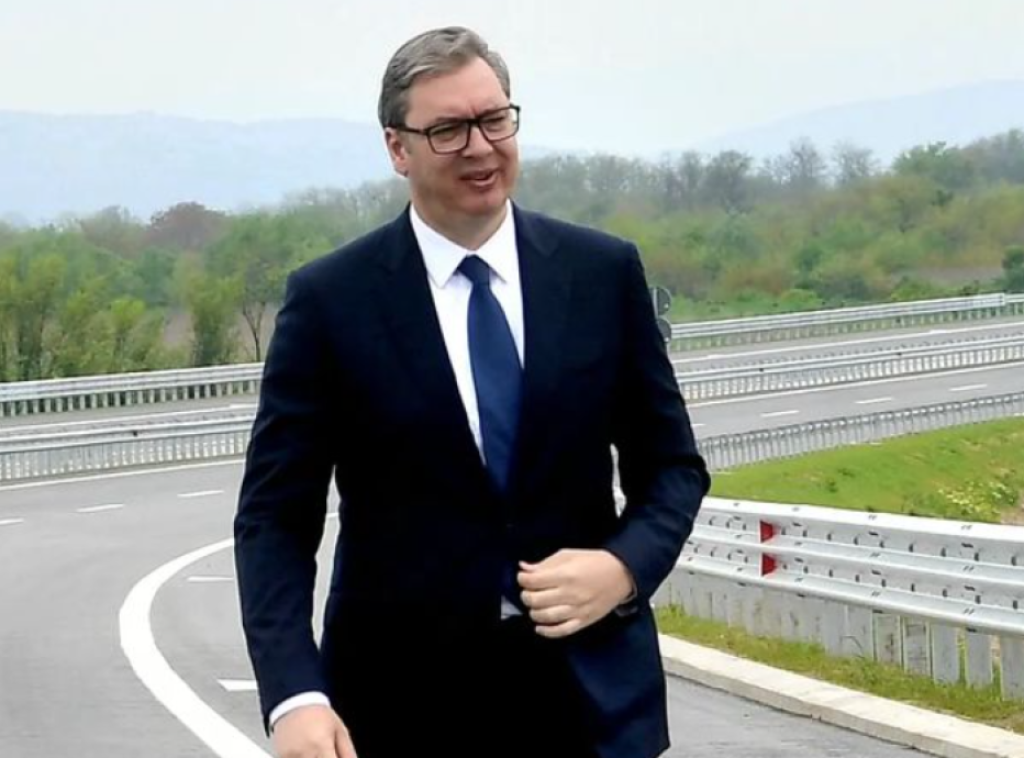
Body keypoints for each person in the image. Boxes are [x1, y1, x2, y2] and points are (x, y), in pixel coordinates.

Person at [233, 25, 710, 758]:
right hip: (398, 710)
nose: (481, 147)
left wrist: (622, 569)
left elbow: (673, 468)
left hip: (592, 705)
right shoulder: (332, 301)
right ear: (398, 148)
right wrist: (295, 696)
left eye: (494, 119)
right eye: (449, 129)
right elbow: (274, 519)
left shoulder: (601, 273)